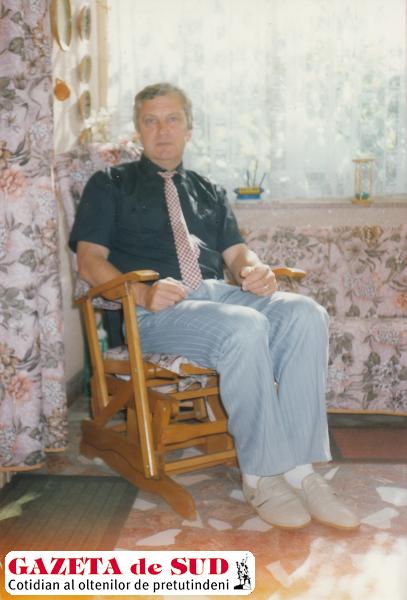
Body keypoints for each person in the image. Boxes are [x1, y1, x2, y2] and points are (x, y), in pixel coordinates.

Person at [69, 82, 360, 530]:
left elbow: (236, 253)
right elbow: (90, 261)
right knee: (244, 325)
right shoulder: (110, 184)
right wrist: (142, 294)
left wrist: (254, 270)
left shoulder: (207, 189)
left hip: (216, 296)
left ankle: (300, 470)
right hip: (153, 309)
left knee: (306, 314)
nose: (162, 130)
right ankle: (261, 475)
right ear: (138, 130)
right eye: (151, 121)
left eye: (172, 119)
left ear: (189, 129)